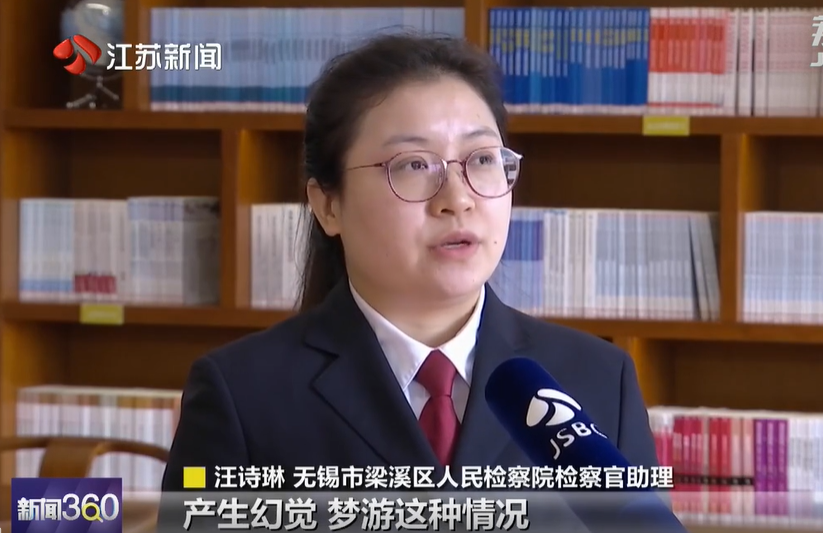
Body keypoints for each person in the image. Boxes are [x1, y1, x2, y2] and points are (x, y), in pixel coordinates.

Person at [160, 32, 683, 532]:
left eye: (482, 159)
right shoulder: (243, 395)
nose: (458, 199)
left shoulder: (596, 381)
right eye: (413, 165)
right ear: (328, 204)